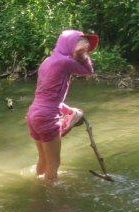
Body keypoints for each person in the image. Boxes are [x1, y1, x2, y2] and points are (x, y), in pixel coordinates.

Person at [26, 29, 98, 181]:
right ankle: (50, 200)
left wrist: (68, 110)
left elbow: (47, 96)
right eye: (78, 43)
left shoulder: (48, 61)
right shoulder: (65, 62)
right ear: (70, 44)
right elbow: (88, 71)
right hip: (46, 116)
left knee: (43, 159)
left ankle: (38, 191)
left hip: (33, 113)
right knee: (54, 164)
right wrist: (81, 55)